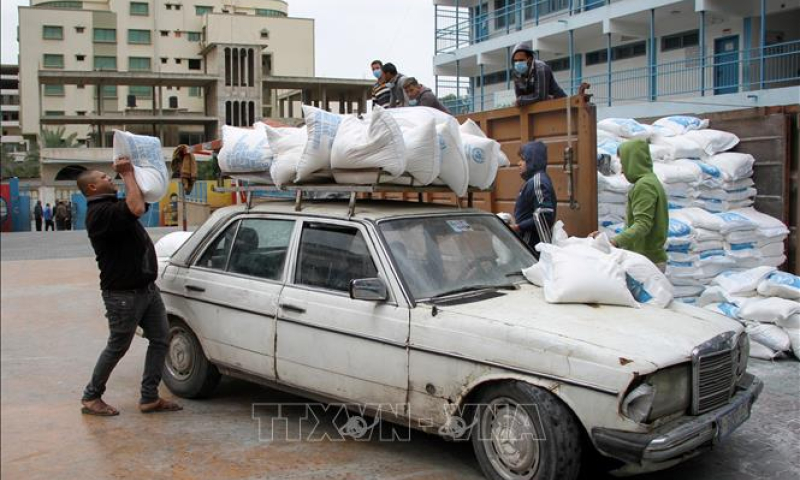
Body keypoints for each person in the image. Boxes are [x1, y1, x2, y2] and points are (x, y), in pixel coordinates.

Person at [76, 157, 182, 416]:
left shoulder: (112, 206)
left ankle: (149, 397)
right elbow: (135, 207)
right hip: (123, 295)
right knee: (118, 346)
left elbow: (139, 202)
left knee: (160, 339)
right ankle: (91, 397)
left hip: (146, 289)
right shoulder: (99, 214)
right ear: (91, 188)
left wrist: (135, 174)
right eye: (102, 177)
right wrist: (127, 174)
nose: (108, 178)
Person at [593, 140, 668, 271]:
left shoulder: (645, 185)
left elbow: (642, 224)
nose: (622, 171)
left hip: (647, 261)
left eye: (623, 164)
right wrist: (607, 238)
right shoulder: (650, 181)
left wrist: (614, 242)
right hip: (646, 259)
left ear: (633, 162)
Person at [510, 141, 556, 250]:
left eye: (523, 159)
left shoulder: (538, 181)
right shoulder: (534, 181)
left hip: (531, 245)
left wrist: (518, 227)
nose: (518, 163)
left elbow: (544, 214)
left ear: (532, 160)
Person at [511, 41, 566, 107]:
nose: (518, 63)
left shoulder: (541, 68)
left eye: (521, 60)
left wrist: (521, 100)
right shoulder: (517, 74)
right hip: (540, 109)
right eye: (515, 61)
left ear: (530, 59)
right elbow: (520, 98)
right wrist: (521, 100)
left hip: (560, 106)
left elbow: (540, 96)